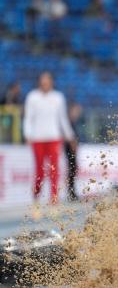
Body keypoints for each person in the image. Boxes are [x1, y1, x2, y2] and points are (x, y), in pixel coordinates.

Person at [23, 72, 76, 207]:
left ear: (51, 82)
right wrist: (27, 134)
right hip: (38, 138)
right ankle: (36, 197)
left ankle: (54, 199)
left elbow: (63, 118)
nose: (45, 83)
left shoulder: (58, 97)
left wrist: (70, 136)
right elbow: (28, 117)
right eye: (43, 81)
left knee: (54, 170)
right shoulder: (32, 97)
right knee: (40, 171)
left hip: (54, 137)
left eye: (47, 81)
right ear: (39, 82)